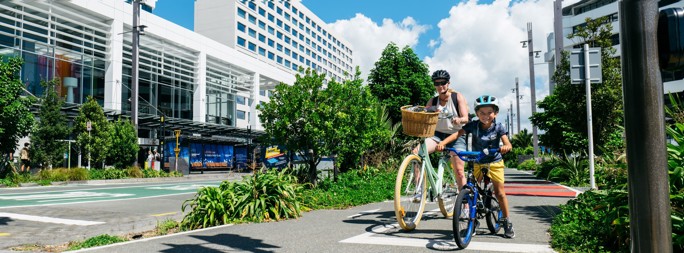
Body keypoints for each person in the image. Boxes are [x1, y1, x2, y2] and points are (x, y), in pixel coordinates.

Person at [436, 95, 515, 238]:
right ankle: (473, 220)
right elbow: (456, 134)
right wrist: (443, 143)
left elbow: (508, 143)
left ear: (495, 113)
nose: (486, 116)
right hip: (477, 161)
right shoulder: (473, 126)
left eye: (489, 112)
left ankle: (507, 221)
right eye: (482, 113)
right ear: (477, 113)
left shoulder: (498, 127)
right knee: (471, 190)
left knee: (500, 193)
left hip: (494, 161)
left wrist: (506, 147)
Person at [411, 70, 470, 198]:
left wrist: (459, 119)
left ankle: (465, 204)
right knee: (416, 153)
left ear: (448, 83)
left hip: (456, 135)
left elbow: (466, 118)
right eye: (437, 83)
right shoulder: (433, 101)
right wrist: (428, 111)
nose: (440, 86)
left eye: (443, 83)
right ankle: (419, 190)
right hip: (437, 135)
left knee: (459, 171)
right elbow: (424, 114)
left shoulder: (457, 97)